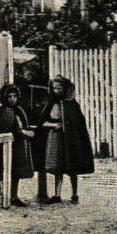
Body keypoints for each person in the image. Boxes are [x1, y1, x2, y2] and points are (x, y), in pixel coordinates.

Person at [36, 74, 94, 204]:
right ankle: (57, 195)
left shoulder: (72, 104)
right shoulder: (51, 103)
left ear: (65, 88)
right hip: (54, 138)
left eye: (59, 88)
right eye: (54, 88)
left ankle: (74, 194)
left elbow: (78, 124)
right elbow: (42, 122)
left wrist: (69, 129)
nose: (56, 91)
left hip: (69, 140)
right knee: (57, 166)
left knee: (72, 167)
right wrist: (51, 125)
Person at [0, 83, 35, 207]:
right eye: (9, 96)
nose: (12, 99)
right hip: (9, 145)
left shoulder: (18, 109)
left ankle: (14, 196)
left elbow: (22, 125)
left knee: (16, 173)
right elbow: (9, 128)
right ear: (5, 98)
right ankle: (8, 196)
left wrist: (26, 131)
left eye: (15, 96)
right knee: (9, 170)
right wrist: (25, 132)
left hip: (18, 145)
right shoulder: (5, 110)